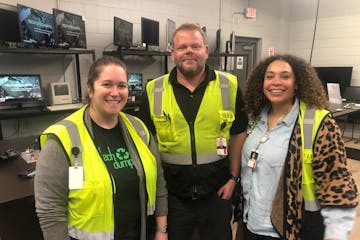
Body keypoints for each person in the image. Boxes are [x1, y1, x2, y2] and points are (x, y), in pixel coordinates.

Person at [35, 56, 168, 240]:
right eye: (107, 84)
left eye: (121, 86)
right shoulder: (63, 138)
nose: (115, 92)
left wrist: (161, 230)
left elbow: (158, 182)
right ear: (90, 89)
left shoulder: (139, 129)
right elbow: (50, 210)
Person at [140, 23, 248, 240]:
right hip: (173, 197)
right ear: (173, 54)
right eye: (182, 47)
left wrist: (233, 179)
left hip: (217, 193)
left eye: (195, 46)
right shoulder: (154, 91)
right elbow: (146, 145)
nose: (189, 51)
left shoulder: (229, 86)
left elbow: (238, 135)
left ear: (206, 51)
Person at [239, 54, 358, 240]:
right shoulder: (255, 119)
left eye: (285, 76)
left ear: (297, 84)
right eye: (269, 76)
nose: (275, 82)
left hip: (291, 229)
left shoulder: (317, 121)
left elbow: (339, 186)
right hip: (251, 224)